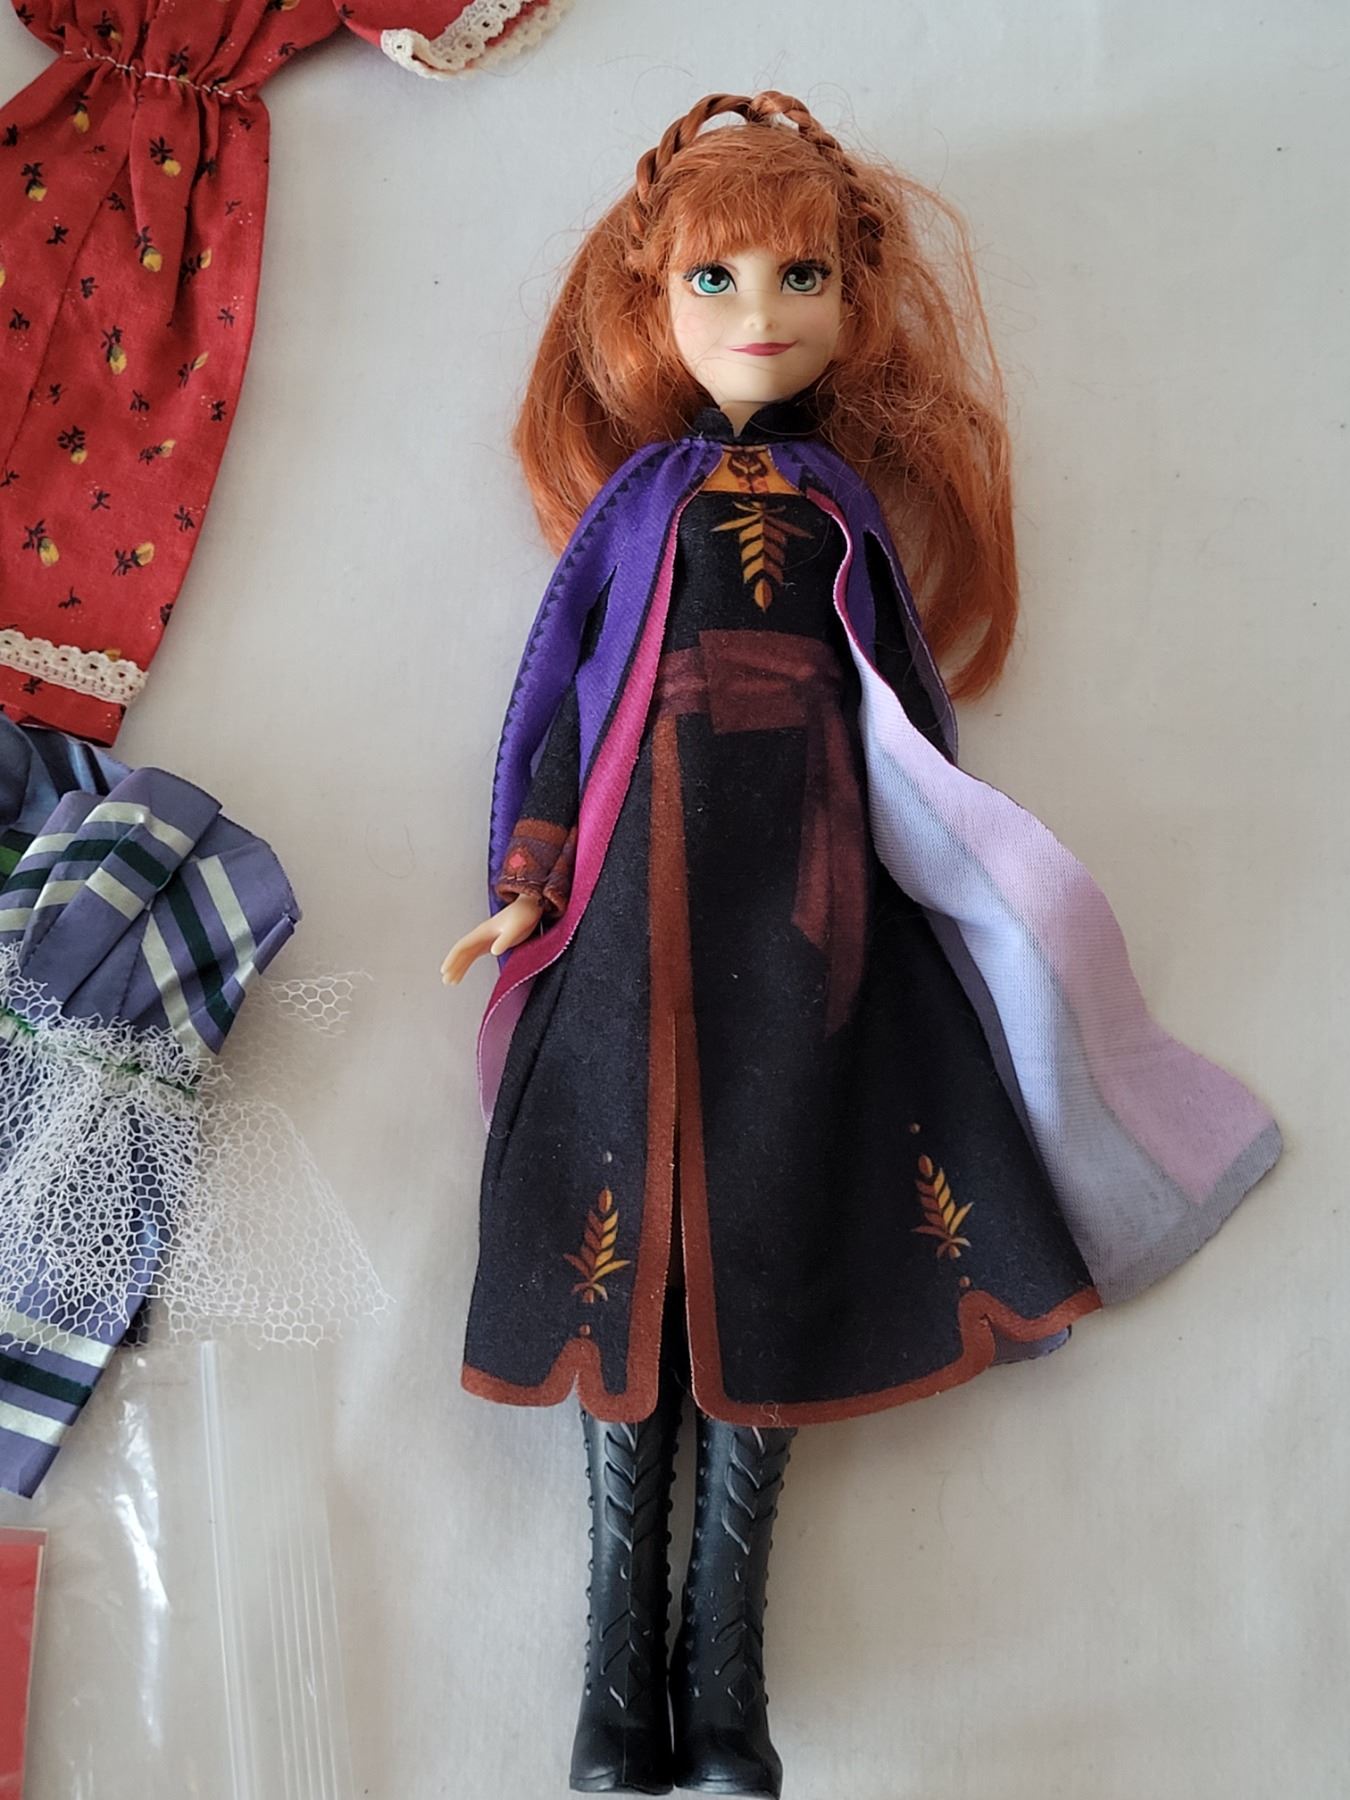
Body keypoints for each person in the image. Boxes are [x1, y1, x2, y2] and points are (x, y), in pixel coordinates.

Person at [442, 92, 1281, 1798]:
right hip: (631, 915)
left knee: (774, 1248)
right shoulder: (641, 503)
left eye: (798, 275)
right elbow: (563, 700)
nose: (758, 311)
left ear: (850, 296)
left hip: (813, 910)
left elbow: (901, 713)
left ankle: (722, 1693)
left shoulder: (839, 498)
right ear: (649, 303)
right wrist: (528, 874)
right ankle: (612, 1697)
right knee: (630, 1275)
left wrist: (945, 870)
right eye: (713, 279)